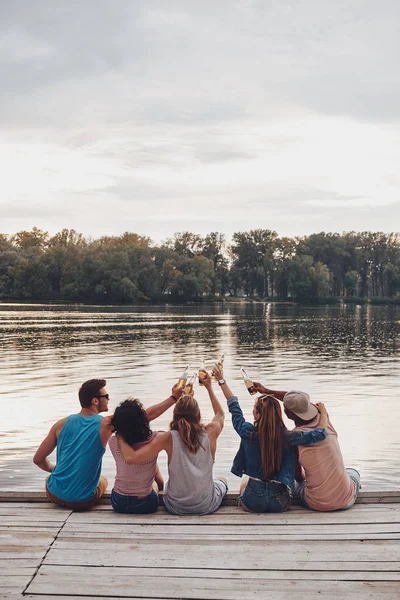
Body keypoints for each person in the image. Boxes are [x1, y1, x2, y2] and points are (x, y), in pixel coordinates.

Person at [33, 378, 180, 511]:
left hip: (54, 494)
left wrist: (56, 469)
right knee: (103, 479)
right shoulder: (105, 425)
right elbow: (145, 416)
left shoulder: (60, 424)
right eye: (106, 396)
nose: (108, 399)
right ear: (95, 401)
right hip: (82, 501)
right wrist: (173, 398)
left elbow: (38, 459)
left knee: (50, 479)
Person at [212, 366, 329, 513]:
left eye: (254, 409)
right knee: (290, 481)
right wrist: (323, 413)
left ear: (258, 415)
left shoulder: (246, 431)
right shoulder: (290, 437)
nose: (253, 411)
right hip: (280, 503)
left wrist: (221, 381)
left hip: (252, 502)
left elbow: (233, 405)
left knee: (245, 481)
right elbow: (321, 433)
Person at [118, 371, 227, 516]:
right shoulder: (211, 432)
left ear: (175, 414)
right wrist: (209, 388)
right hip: (205, 505)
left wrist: (120, 435)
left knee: (168, 483)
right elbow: (220, 414)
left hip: (176, 506)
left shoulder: (167, 438)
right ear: (198, 414)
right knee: (222, 480)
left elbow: (131, 458)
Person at [253, 383, 361, 511]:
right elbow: (298, 402)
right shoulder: (324, 419)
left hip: (316, 503)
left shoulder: (292, 439)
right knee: (353, 472)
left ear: (287, 413)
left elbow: (299, 477)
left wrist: (266, 391)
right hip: (346, 501)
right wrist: (266, 390)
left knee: (295, 482)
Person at [109, 396, 169, 514]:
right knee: (153, 479)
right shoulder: (156, 439)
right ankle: (160, 488)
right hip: (144, 504)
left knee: (148, 464)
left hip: (117, 502)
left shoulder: (113, 441)